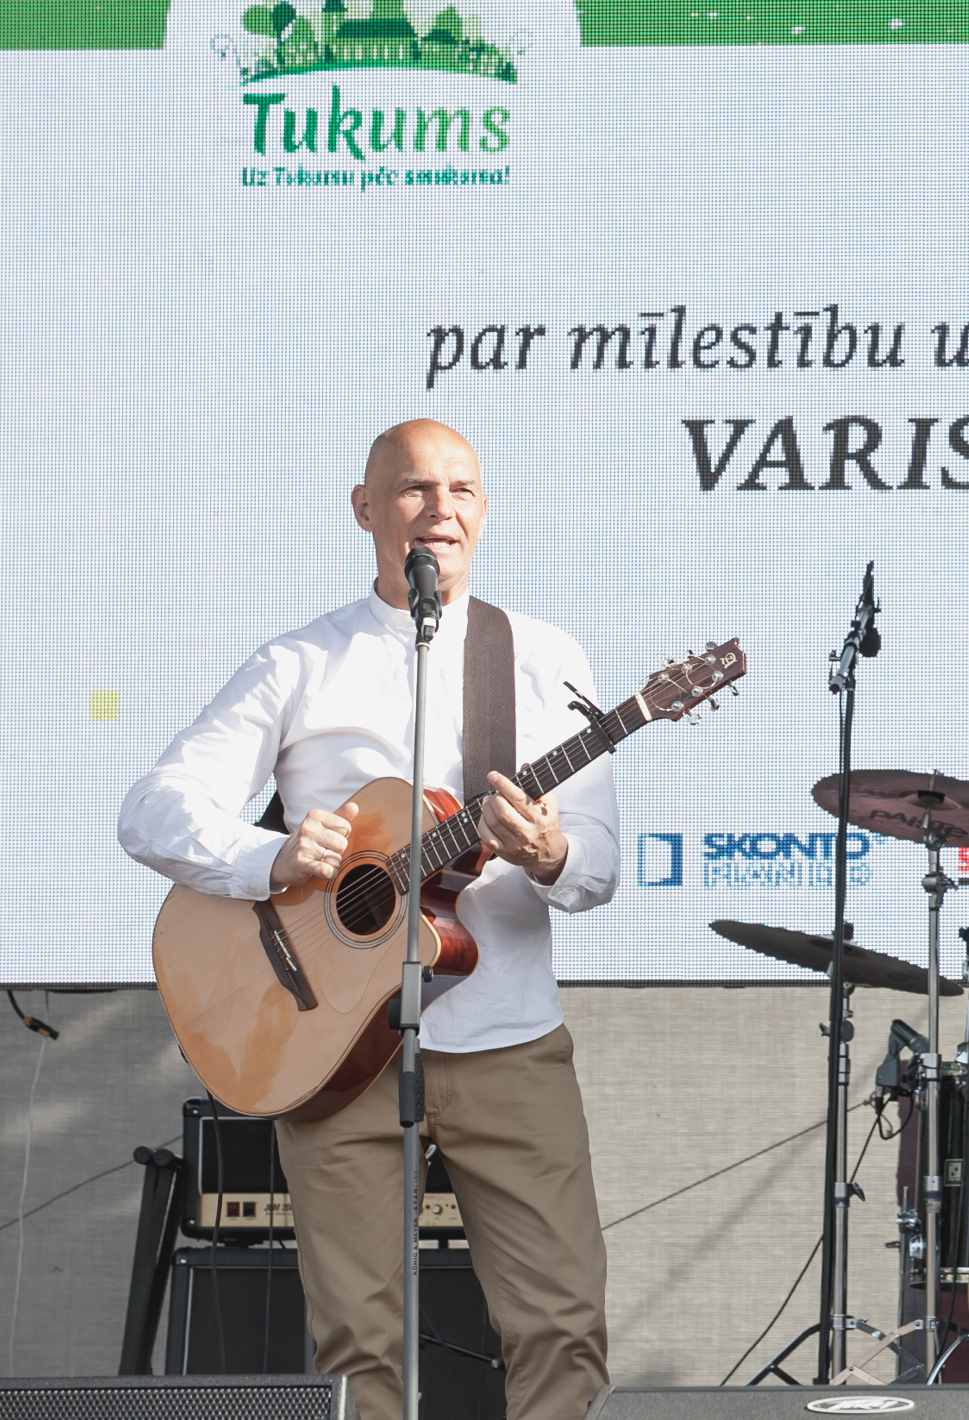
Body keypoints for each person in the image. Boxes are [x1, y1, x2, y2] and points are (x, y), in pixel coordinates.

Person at [119, 419, 620, 1420]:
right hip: (336, 1041)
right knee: (358, 1344)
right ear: (365, 508)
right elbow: (153, 808)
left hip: (507, 1037)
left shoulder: (540, 655)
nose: (441, 510)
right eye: (415, 488)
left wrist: (548, 852)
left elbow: (597, 861)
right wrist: (268, 858)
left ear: (485, 512)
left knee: (562, 1323)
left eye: (462, 490)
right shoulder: (301, 661)